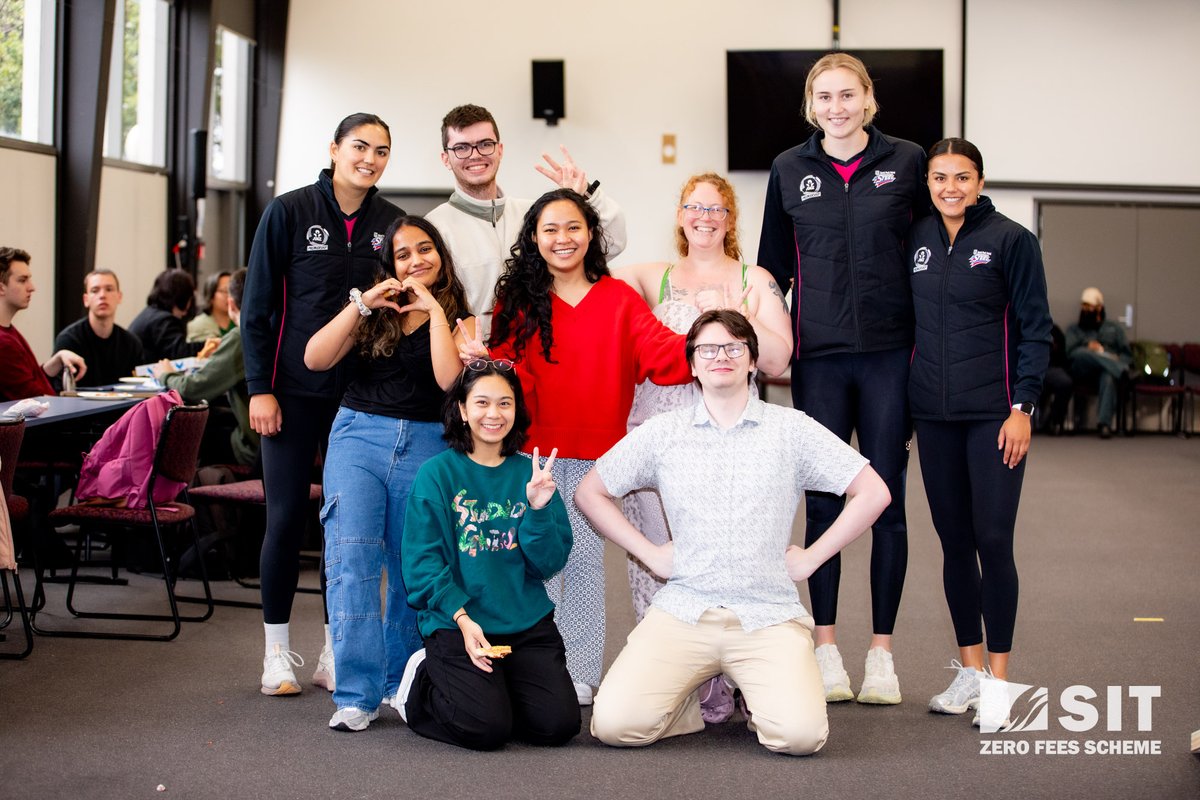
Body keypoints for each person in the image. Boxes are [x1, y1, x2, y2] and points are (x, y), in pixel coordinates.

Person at [575, 309, 890, 755]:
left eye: (733, 347)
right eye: (707, 349)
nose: (720, 356)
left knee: (799, 737)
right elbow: (591, 492)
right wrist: (650, 553)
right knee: (614, 726)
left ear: (752, 361)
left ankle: (760, 699)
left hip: (766, 614)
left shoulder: (790, 429)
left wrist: (811, 558)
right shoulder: (663, 433)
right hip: (685, 609)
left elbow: (874, 492)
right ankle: (684, 705)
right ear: (692, 365)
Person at [462, 188, 692, 705]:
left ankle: (581, 671)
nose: (562, 238)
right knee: (529, 559)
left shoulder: (619, 298)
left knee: (585, 562)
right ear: (534, 238)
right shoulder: (517, 301)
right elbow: (505, 373)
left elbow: (661, 352)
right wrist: (486, 362)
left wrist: (714, 341)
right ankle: (527, 666)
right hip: (529, 456)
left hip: (597, 458)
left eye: (573, 227)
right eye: (550, 229)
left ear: (591, 234)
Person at [756, 52, 926, 704]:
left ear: (868, 99)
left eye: (847, 95)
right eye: (824, 97)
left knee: (886, 501)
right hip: (820, 359)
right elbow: (771, 271)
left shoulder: (906, 162)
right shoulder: (788, 169)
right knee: (824, 502)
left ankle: (881, 655)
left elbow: (928, 254)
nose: (836, 107)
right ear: (811, 105)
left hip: (889, 356)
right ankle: (825, 648)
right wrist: (766, 349)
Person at [613, 172, 793, 721]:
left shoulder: (755, 279)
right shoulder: (652, 276)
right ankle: (671, 683)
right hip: (658, 436)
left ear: (730, 219)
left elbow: (779, 360)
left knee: (731, 551)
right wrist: (586, 195)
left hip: (731, 440)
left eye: (716, 209)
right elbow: (589, 267)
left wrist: (742, 317)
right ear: (680, 216)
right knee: (659, 556)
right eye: (695, 207)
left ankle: (736, 671)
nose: (705, 217)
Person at [241, 112, 405, 697]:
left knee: (348, 528)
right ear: (334, 149)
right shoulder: (288, 211)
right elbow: (257, 307)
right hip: (289, 395)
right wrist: (259, 387)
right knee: (286, 520)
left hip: (359, 401)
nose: (369, 158)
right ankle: (276, 653)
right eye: (360, 146)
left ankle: (337, 651)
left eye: (381, 150)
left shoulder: (391, 224)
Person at [302, 215, 474, 732]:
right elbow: (314, 358)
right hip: (359, 436)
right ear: (390, 265)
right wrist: (362, 304)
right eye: (403, 254)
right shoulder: (371, 312)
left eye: (425, 249)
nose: (416, 260)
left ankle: (399, 683)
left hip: (427, 445)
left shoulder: (461, 318)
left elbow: (450, 383)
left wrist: (435, 312)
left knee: (409, 569)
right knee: (350, 559)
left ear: (440, 254)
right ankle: (356, 694)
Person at [907, 138, 1051, 728]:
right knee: (954, 542)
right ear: (928, 183)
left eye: (962, 177)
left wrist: (1023, 408)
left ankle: (1000, 681)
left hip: (995, 415)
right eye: (940, 177)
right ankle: (969, 671)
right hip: (933, 415)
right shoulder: (915, 238)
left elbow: (1036, 329)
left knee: (993, 540)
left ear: (981, 182)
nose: (951, 187)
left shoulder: (1012, 241)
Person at [397, 362, 579, 750]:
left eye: (504, 403)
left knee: (558, 726)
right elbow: (421, 564)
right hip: (459, 621)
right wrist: (462, 619)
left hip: (524, 622)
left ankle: (496, 690)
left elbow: (549, 563)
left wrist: (538, 509)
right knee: (486, 729)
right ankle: (422, 683)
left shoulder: (531, 474)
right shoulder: (436, 474)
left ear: (516, 410)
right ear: (462, 409)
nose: (493, 414)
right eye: (481, 402)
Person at [426, 104, 627, 338]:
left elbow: (613, 242)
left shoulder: (535, 215)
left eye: (485, 144)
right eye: (461, 148)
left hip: (540, 348)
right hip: (469, 355)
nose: (475, 154)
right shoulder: (434, 228)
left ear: (500, 150)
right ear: (446, 158)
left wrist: (584, 196)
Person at [152, 268, 258, 467]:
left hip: (253, 447)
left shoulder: (241, 336)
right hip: (279, 442)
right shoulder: (272, 329)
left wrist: (166, 375)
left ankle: (181, 487)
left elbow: (193, 389)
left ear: (231, 303)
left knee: (183, 430)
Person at [0, 247, 87, 401]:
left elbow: (29, 384)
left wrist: (56, 360)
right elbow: (34, 400)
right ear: (1, 287)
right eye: (22, 280)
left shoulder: (9, 331)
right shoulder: (3, 342)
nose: (31, 287)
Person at [53, 269, 145, 388]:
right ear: (86, 300)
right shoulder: (69, 340)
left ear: (119, 297)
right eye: (95, 290)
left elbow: (141, 387)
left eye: (109, 289)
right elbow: (59, 390)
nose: (102, 295)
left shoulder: (131, 344)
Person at [1065, 287, 1131, 439]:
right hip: (1081, 370)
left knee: (1108, 376)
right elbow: (1069, 353)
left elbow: (1126, 355)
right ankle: (1120, 370)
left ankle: (1104, 424)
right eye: (1083, 306)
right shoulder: (1074, 329)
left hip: (1104, 373)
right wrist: (1089, 347)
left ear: (1099, 308)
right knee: (1082, 353)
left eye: (1089, 306)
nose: (1085, 309)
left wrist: (1107, 354)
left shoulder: (1113, 328)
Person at [128, 270, 220, 363]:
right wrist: (209, 345)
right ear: (183, 297)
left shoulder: (151, 314)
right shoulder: (163, 320)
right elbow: (180, 352)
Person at [1037, 323, 1072, 436]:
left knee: (1065, 382)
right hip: (1026, 369)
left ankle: (1055, 421)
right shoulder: (1019, 324)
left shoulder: (1053, 330)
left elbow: (1062, 354)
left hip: (1051, 368)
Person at [187, 271, 236, 342]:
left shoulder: (241, 323)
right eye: (225, 291)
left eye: (232, 291)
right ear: (210, 295)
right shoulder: (197, 325)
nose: (230, 296)